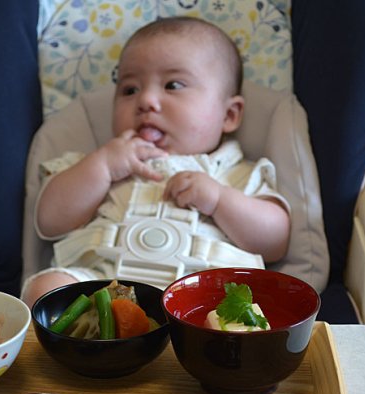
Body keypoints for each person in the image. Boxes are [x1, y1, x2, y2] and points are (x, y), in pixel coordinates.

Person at [22, 16, 291, 307]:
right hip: (104, 291)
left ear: (229, 115)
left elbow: (275, 241)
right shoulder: (98, 165)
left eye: (173, 85)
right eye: (129, 90)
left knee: (250, 307)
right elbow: (48, 222)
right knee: (47, 288)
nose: (146, 100)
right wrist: (102, 166)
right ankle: (92, 345)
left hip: (201, 298)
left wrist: (219, 199)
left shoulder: (236, 173)